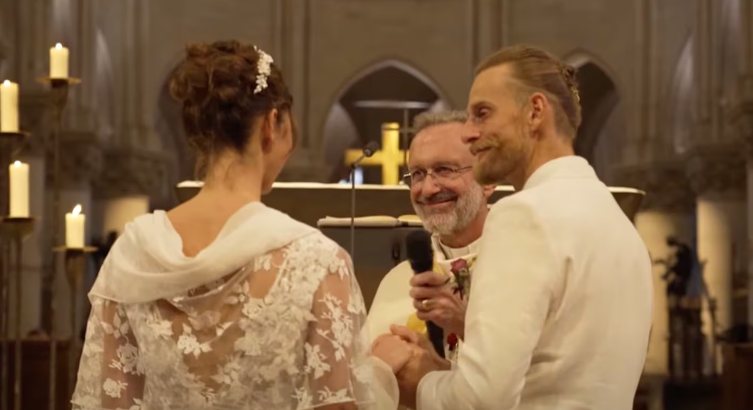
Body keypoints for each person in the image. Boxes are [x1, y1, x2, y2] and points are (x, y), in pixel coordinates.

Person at [71, 40, 399, 410]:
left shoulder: (129, 257)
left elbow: (109, 401)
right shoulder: (318, 263)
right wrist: (382, 371)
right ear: (271, 124)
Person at [373, 44, 653, 409]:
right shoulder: (616, 220)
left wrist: (419, 379)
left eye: (482, 114)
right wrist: (445, 367)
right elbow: (555, 373)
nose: (469, 133)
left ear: (535, 111)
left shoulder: (523, 215)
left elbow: (482, 400)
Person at [366, 111, 494, 362]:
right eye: (417, 174)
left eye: (445, 170)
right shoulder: (399, 280)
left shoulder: (523, 262)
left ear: (488, 180)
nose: (427, 189)